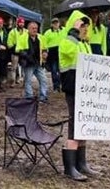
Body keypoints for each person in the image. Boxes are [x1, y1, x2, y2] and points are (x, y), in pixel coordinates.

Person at [58, 10, 95, 182]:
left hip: (86, 90)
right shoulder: (67, 42)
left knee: (84, 124)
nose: (85, 29)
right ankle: (70, 167)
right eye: (82, 25)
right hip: (73, 88)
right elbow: (73, 55)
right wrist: (73, 31)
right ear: (74, 26)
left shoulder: (85, 43)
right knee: (75, 123)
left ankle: (81, 163)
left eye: (86, 26)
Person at [16, 22, 49, 102]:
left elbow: (45, 47)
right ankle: (29, 97)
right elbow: (18, 49)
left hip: (38, 62)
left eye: (36, 28)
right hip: (28, 63)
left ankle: (43, 97)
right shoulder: (22, 37)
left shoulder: (41, 37)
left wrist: (45, 52)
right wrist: (26, 55)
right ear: (28, 29)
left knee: (43, 79)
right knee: (28, 81)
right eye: (33, 28)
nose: (35, 30)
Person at [44, 17, 64, 92]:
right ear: (51, 24)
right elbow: (44, 42)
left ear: (59, 23)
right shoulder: (48, 32)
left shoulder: (64, 30)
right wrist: (45, 52)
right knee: (54, 70)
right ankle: (56, 86)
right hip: (52, 53)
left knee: (62, 70)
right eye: (54, 23)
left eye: (57, 23)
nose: (56, 24)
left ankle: (62, 85)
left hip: (62, 51)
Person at [7, 17, 27, 86]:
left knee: (25, 68)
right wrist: (13, 48)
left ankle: (25, 82)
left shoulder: (26, 31)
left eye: (22, 23)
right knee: (14, 68)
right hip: (15, 52)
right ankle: (13, 82)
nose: (21, 24)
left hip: (23, 52)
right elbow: (9, 43)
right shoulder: (13, 32)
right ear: (17, 23)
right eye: (20, 22)